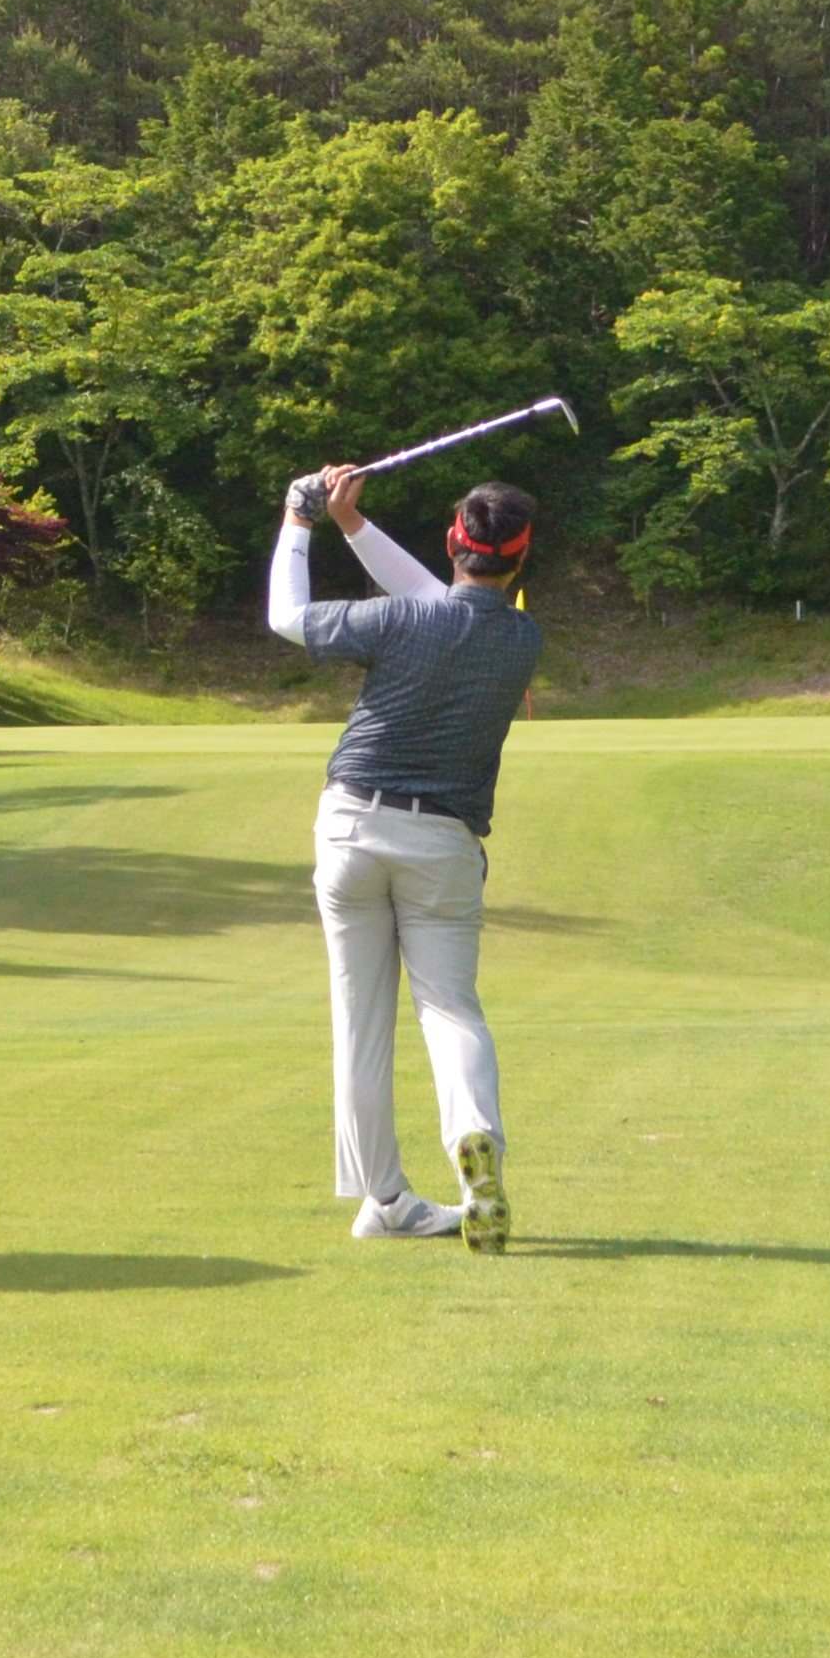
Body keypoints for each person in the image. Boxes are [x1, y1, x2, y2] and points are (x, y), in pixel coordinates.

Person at [265, 462, 543, 1253]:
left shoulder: (398, 620)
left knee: (360, 1021)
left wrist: (301, 519)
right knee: (450, 1007)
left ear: (454, 541)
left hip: (351, 827)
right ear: (519, 561)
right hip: (443, 844)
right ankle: (474, 1139)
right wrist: (353, 525)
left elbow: (288, 616)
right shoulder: (523, 638)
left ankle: (384, 1197)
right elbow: (442, 603)